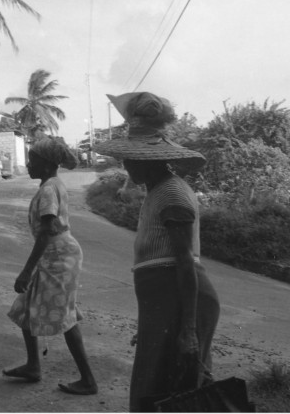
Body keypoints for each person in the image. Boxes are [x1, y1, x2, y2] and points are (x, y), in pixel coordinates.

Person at [94, 92, 220, 412]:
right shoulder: (158, 191)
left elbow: (185, 265)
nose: (127, 164)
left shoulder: (173, 196)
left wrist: (188, 331)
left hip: (182, 301)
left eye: (132, 157)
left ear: (149, 159)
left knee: (171, 392)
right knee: (155, 389)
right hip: (164, 305)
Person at [3, 136, 98, 396]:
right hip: (57, 254)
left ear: (45, 165)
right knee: (25, 307)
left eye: (32, 161)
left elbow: (47, 232)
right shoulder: (52, 183)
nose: (28, 165)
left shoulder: (48, 189)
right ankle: (33, 366)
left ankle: (88, 380)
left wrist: (27, 270)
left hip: (58, 257)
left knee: (64, 317)